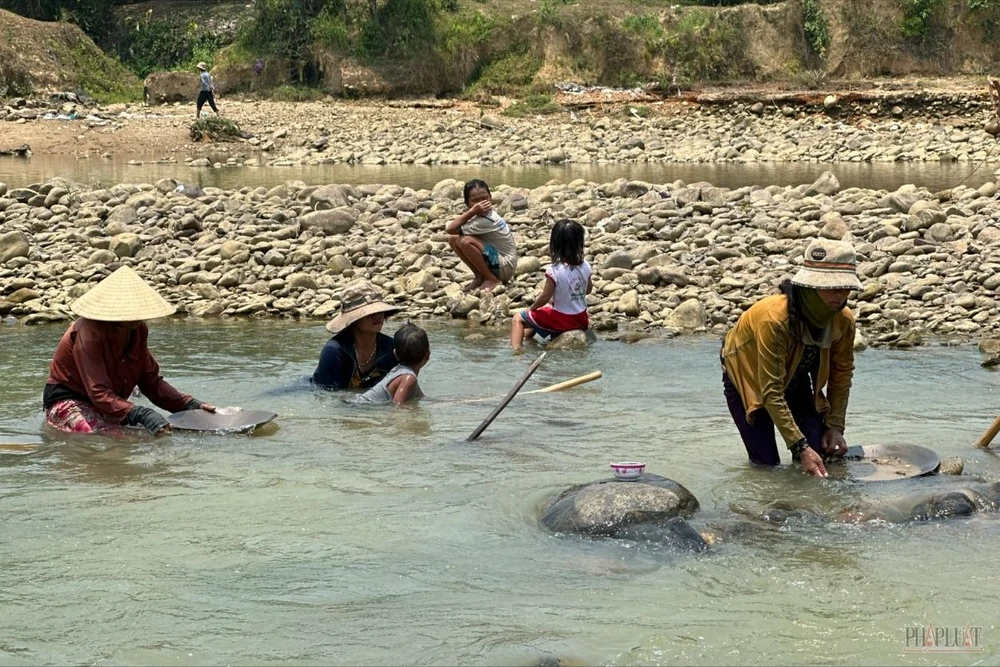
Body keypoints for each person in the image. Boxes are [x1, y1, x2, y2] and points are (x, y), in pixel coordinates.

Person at [721, 239, 861, 478]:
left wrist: (835, 426)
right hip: (749, 376)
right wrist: (799, 446)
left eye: (845, 287)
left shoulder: (843, 320)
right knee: (766, 466)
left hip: (795, 377)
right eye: (831, 287)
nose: (839, 295)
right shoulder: (774, 321)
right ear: (809, 287)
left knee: (821, 454)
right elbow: (770, 390)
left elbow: (841, 375)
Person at [43, 266, 215, 437]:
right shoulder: (89, 333)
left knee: (152, 432)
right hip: (70, 401)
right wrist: (140, 413)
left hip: (107, 403)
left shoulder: (138, 330)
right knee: (116, 438)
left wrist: (189, 404)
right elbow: (98, 392)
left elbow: (151, 382)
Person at [511, 218, 592, 350]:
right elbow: (588, 290)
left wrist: (531, 308)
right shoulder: (586, 266)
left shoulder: (554, 270)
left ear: (555, 245)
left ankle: (516, 351)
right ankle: (527, 340)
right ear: (579, 243)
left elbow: (544, 297)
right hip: (581, 319)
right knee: (544, 311)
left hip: (562, 320)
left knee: (518, 318)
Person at [312, 281, 402, 390]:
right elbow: (328, 398)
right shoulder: (334, 351)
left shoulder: (391, 348)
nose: (377, 316)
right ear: (353, 319)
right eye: (370, 313)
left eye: (380, 311)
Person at [446, 179, 517, 293]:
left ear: (491, 198)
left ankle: (491, 279)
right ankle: (479, 277)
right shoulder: (481, 216)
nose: (480, 204)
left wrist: (471, 211)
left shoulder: (487, 219)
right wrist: (473, 212)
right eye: (475, 201)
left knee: (465, 242)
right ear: (467, 203)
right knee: (453, 239)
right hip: (498, 261)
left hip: (505, 267)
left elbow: (450, 229)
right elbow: (452, 233)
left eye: (484, 199)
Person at [349, 323, 430, 406]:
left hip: (352, 404)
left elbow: (421, 397)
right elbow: (398, 408)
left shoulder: (404, 374)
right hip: (357, 407)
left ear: (395, 354)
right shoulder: (408, 379)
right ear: (428, 355)